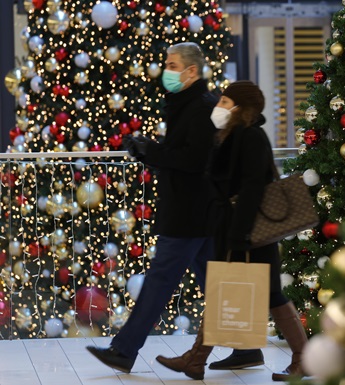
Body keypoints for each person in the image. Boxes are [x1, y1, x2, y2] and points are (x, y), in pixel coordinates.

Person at [85, 42, 263, 378]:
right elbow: (186, 153)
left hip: (190, 212)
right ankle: (246, 347)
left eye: (172, 64)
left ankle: (123, 351)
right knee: (217, 282)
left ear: (191, 70)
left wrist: (148, 150)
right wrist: (151, 149)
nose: (166, 69)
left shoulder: (199, 106)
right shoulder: (189, 104)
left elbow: (193, 161)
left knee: (159, 281)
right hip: (197, 211)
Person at [155, 80, 308, 381]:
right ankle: (196, 360)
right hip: (236, 229)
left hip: (249, 232)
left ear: (240, 108)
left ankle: (302, 358)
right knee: (230, 292)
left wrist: (240, 235)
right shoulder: (232, 135)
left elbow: (252, 188)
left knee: (268, 295)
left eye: (225, 101)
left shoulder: (250, 137)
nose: (219, 106)